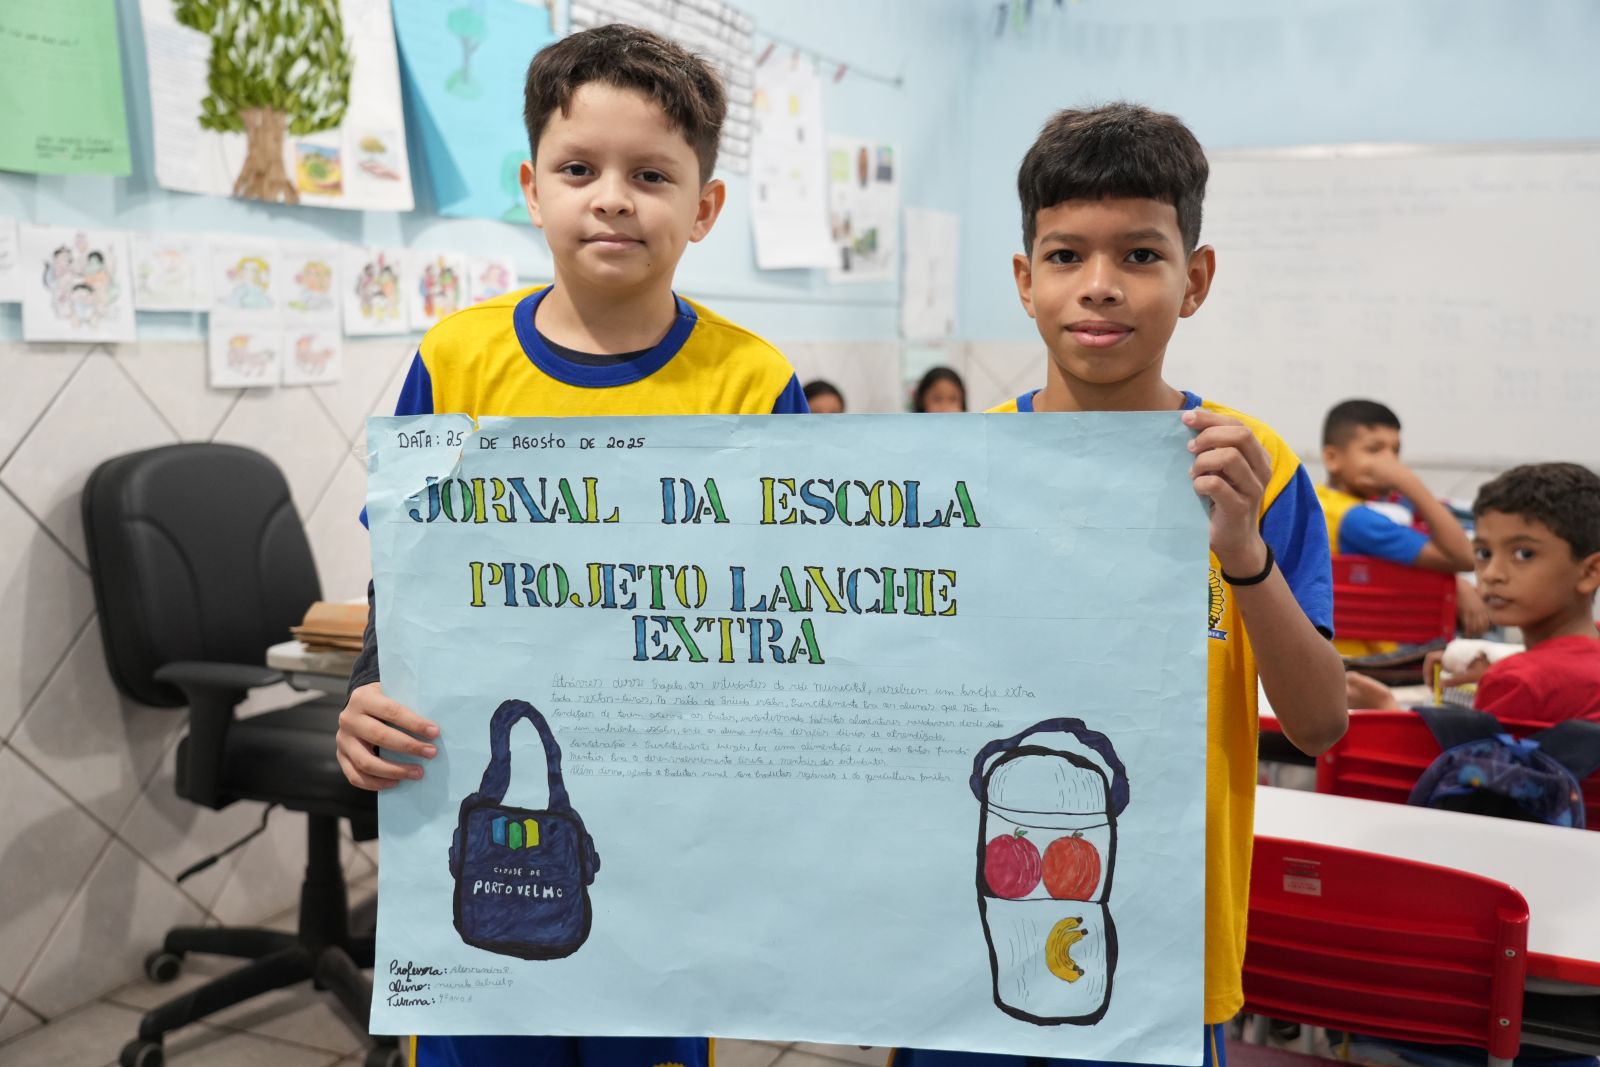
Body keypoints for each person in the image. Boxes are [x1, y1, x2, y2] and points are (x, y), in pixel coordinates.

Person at [333, 24, 807, 1067]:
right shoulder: (454, 358)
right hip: (479, 809)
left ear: (704, 206)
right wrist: (368, 686)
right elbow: (403, 576)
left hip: (666, 837)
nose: (611, 196)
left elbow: (790, 617)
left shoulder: (753, 382)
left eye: (651, 174)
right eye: (578, 168)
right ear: (530, 185)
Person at [892, 103, 1347, 1067]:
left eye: (1141, 255)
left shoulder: (1254, 466)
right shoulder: (953, 470)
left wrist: (1242, 552)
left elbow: (1317, 724)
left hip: (1167, 954)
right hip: (974, 937)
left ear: (1197, 279)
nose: (1099, 288)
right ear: (1024, 280)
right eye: (1065, 256)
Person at [1347, 463, 1600, 723]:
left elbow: (1466, 764)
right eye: (1483, 553)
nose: (1492, 573)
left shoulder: (1516, 682)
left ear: (1590, 572)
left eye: (1524, 554)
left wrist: (1383, 709)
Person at [1316, 399, 1487, 655]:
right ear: (1332, 458)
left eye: (1395, 452)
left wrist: (1454, 583)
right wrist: (1406, 479)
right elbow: (1463, 556)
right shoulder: (1356, 520)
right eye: (1374, 450)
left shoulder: (1321, 501)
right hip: (1377, 656)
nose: (1390, 462)